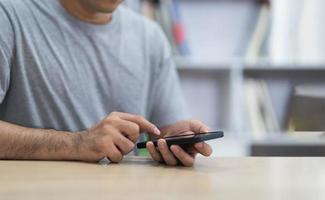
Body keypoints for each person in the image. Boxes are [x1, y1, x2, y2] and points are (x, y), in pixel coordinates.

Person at [0, 0, 212, 167]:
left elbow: (163, 131)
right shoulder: (8, 17)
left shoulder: (150, 36)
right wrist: (77, 144)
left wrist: (176, 139)